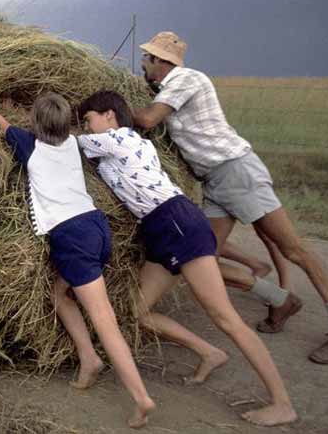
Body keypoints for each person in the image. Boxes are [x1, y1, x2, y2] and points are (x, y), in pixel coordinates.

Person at [132, 31, 328, 364]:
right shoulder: (170, 87)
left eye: (146, 59)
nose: (142, 64)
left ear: (160, 60)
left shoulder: (185, 78)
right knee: (203, 255)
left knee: (295, 249)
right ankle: (280, 299)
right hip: (215, 182)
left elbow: (149, 119)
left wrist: (114, 107)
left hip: (236, 172)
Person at [76, 90, 296, 426]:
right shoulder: (125, 145)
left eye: (88, 119)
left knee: (226, 318)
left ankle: (282, 403)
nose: (87, 127)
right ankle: (210, 353)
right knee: (137, 311)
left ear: (108, 115)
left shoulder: (119, 138)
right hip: (160, 230)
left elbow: (69, 143)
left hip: (176, 223)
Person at [0, 93, 155, 429]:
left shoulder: (28, 145)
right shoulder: (72, 144)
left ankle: (141, 397)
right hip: (96, 226)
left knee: (103, 318)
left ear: (34, 124)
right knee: (60, 294)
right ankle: (89, 358)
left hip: (71, 235)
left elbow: (1, 124)